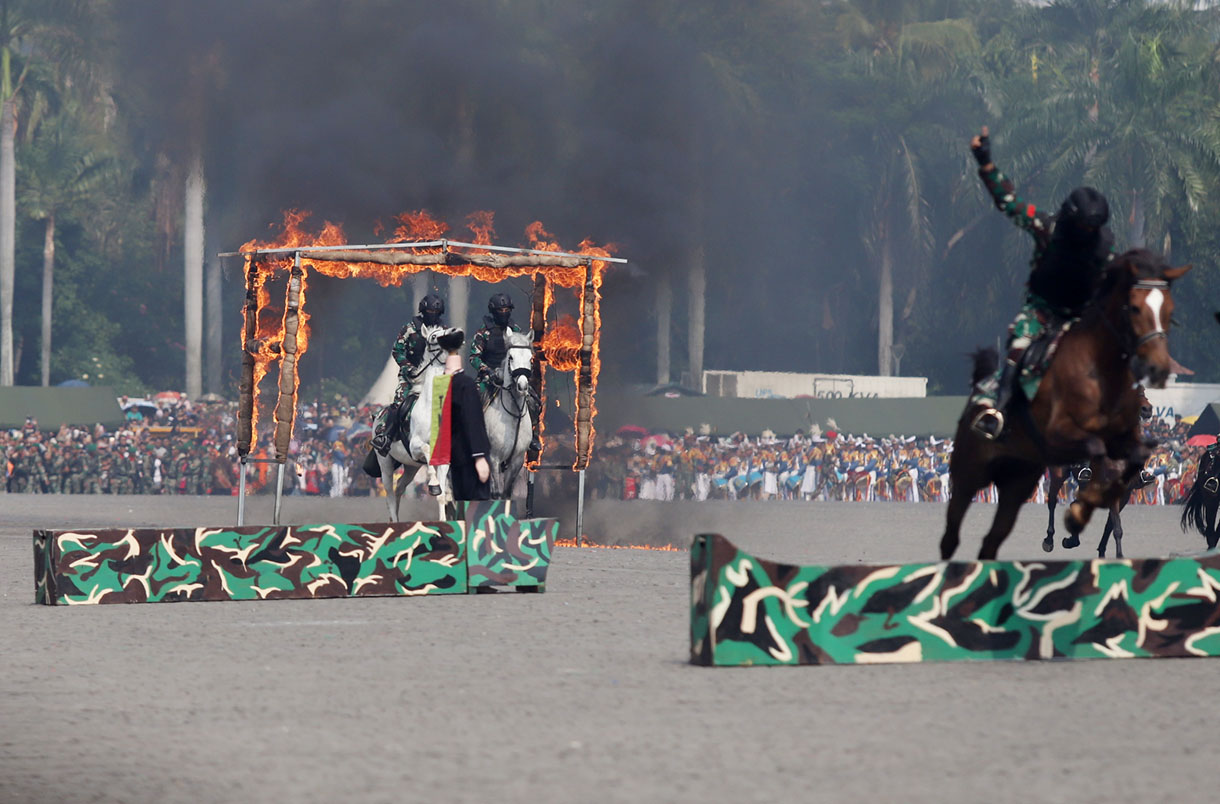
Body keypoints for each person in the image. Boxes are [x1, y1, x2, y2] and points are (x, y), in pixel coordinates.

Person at [966, 126, 1115, 440]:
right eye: (1082, 227)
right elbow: (1009, 202)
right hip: (1041, 310)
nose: (1086, 234)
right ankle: (999, 412)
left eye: (1092, 228)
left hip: (1081, 316)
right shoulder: (1046, 228)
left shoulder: (1106, 251)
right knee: (1019, 347)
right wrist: (986, 164)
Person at [371, 292, 446, 454]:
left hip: (436, 378)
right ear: (423, 312)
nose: (433, 316)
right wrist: (407, 368)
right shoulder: (409, 328)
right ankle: (384, 435)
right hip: (410, 377)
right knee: (399, 402)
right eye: (430, 313)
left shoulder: (444, 331)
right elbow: (397, 351)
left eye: (436, 313)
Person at [470, 291, 542, 451]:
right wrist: (487, 371)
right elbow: (473, 357)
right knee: (473, 403)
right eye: (500, 310)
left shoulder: (516, 330)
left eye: (506, 310)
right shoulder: (483, 333)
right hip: (489, 378)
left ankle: (531, 435)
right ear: (493, 312)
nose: (504, 313)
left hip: (513, 377)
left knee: (533, 401)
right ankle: (473, 436)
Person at [434, 327, 491, 500]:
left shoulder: (440, 385)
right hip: (469, 457)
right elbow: (472, 421)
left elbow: (439, 425)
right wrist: (479, 456)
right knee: (476, 509)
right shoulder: (466, 385)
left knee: (461, 505)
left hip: (453, 456)